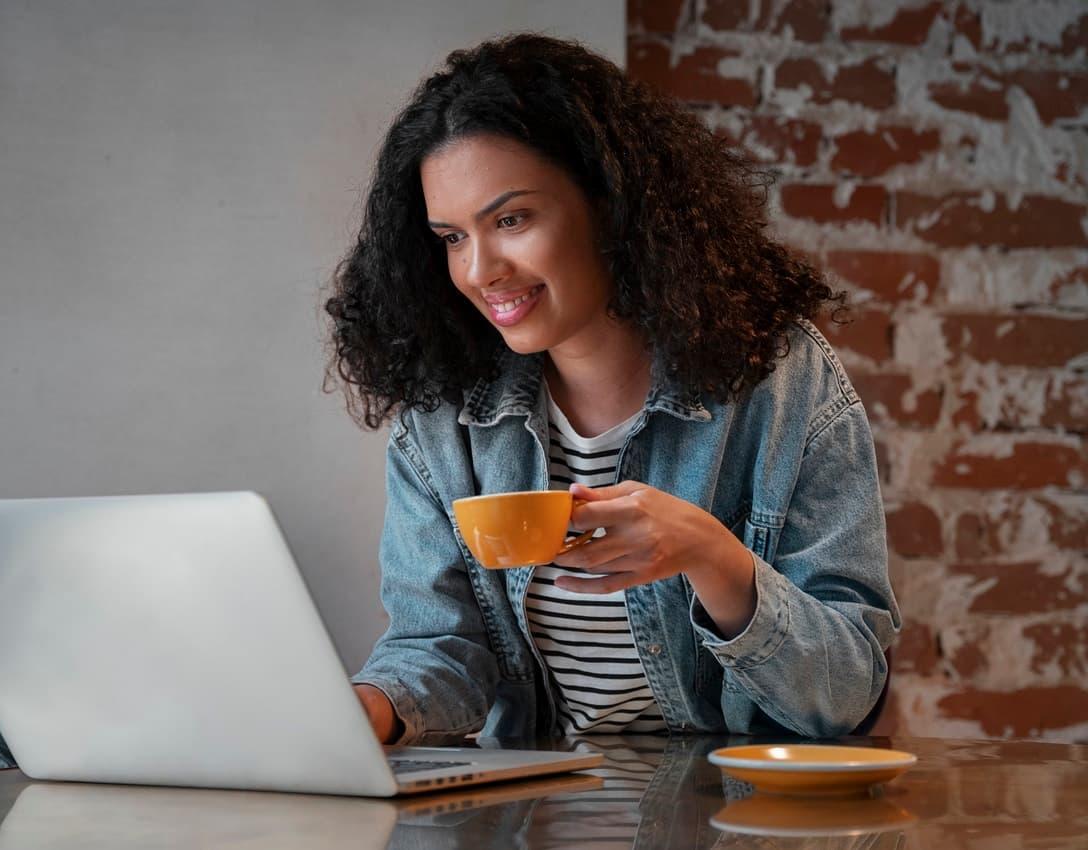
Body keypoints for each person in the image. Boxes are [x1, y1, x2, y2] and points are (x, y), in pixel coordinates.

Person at [324, 33, 899, 744]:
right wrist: (365, 713)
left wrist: (710, 554)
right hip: (533, 818)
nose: (480, 270)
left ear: (610, 203)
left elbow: (846, 693)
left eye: (511, 220)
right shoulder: (445, 418)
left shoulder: (782, 386)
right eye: (452, 237)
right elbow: (440, 649)